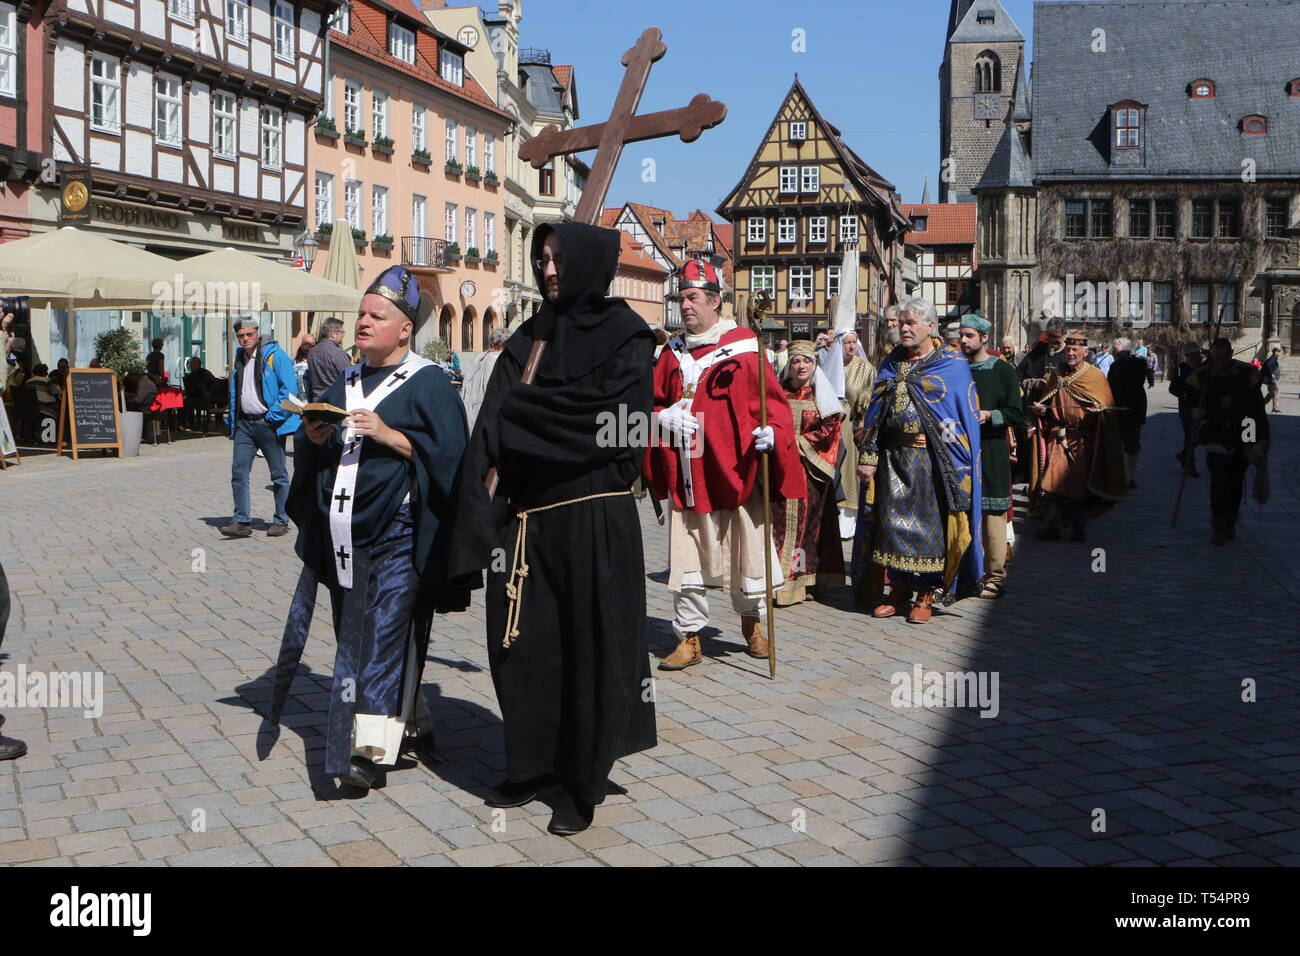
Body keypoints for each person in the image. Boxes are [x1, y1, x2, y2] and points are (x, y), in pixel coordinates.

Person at [450, 222, 657, 836]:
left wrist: (527, 418)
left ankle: (582, 781)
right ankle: (532, 761)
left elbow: (620, 430)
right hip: (527, 524)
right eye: (541, 260)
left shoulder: (628, 336)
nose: (548, 271)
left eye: (558, 259)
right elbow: (491, 433)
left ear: (589, 263)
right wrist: (469, 536)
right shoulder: (527, 340)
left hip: (596, 518)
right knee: (524, 649)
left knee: (589, 651)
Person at [275, 265, 469, 792]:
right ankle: (414, 716)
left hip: (401, 530)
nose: (362, 322)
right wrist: (314, 440)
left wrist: (390, 434)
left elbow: (451, 457)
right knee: (354, 635)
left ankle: (367, 753)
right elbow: (328, 451)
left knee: (382, 634)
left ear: (404, 328)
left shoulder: (428, 382)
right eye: (361, 313)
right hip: (344, 532)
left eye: (375, 316)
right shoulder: (345, 379)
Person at [644, 256, 803, 669]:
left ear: (715, 301)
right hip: (688, 473)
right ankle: (690, 636)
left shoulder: (747, 348)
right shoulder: (671, 353)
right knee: (686, 560)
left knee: (747, 553)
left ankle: (753, 624)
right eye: (681, 298)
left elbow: (776, 409)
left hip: (737, 472)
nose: (685, 306)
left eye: (693, 297)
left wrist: (774, 435)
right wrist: (661, 419)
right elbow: (650, 404)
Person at [853, 298, 983, 624]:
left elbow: (960, 417)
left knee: (931, 531)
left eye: (911, 323)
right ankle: (898, 590)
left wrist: (957, 466)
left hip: (934, 462)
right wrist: (868, 456)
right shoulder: (890, 363)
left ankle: (926, 593)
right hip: (893, 460)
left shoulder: (951, 364)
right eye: (901, 322)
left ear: (930, 326)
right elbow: (875, 415)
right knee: (892, 527)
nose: (904, 328)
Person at [1028, 331, 1127, 541]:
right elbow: (1049, 403)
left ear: (1084, 352)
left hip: (1082, 439)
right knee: (1052, 483)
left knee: (1078, 485)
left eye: (1075, 350)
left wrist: (1099, 411)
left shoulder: (1094, 376)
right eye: (1068, 349)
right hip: (1058, 436)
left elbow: (1107, 407)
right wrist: (1042, 410)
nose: (1070, 353)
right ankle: (1053, 524)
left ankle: (1079, 526)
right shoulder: (1057, 373)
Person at [772, 340, 845, 605]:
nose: (801, 366)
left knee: (806, 526)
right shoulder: (779, 392)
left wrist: (796, 444)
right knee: (778, 525)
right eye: (795, 361)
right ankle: (778, 579)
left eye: (806, 361)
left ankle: (801, 580)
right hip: (779, 467)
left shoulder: (820, 394)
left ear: (814, 365)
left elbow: (830, 429)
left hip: (808, 470)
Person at [960, 314, 1025, 599]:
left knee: (992, 515)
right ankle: (963, 573)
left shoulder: (1003, 370)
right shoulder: (955, 368)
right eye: (961, 335)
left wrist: (990, 415)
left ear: (984, 338)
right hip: (960, 451)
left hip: (992, 449)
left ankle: (995, 576)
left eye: (969, 335)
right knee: (961, 513)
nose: (963, 340)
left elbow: (1016, 412)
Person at [1181, 338, 1270, 544]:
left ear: (1231, 353)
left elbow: (1258, 410)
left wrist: (1263, 440)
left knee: (1235, 481)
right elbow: (1185, 396)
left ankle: (1231, 520)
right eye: (1216, 357)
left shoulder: (1246, 373)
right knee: (1219, 480)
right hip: (1216, 431)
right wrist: (1193, 409)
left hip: (1245, 431)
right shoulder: (1204, 375)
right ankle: (1218, 523)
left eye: (1223, 357)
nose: (1219, 362)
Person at [222, 316, 300, 538]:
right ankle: (242, 520)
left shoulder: (275, 356)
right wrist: (233, 419)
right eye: (241, 335)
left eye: (249, 334)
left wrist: (272, 418)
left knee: (278, 475)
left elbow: (289, 392)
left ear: (257, 333)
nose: (245, 339)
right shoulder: (240, 358)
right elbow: (238, 391)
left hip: (269, 423)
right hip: (245, 424)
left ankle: (281, 519)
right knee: (238, 472)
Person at [836, 328, 876, 540]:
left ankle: (849, 518)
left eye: (854, 342)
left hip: (853, 424)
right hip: (833, 423)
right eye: (846, 343)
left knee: (850, 468)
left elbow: (870, 396)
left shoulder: (865, 368)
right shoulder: (832, 367)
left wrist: (861, 416)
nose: (851, 346)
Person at [1107, 337, 1154, 489]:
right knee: (1123, 443)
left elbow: (1137, 374)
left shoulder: (1131, 363)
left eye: (1115, 349)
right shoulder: (1121, 364)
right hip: (1123, 408)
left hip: (1131, 408)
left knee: (1129, 443)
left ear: (1122, 349)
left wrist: (1124, 356)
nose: (1113, 352)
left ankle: (1127, 477)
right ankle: (1122, 475)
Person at [460, 326, 508, 430]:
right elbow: (492, 389)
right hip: (488, 413)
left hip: (475, 409)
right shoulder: (496, 360)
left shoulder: (481, 357)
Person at [1169, 344, 1206, 477]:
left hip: (1202, 406)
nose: (1199, 355)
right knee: (1190, 436)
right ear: (1189, 356)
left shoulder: (1202, 367)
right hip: (1187, 407)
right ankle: (1189, 466)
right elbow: (1173, 388)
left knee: (1200, 435)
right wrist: (1183, 394)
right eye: (1196, 353)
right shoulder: (1181, 369)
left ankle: (1184, 454)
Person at [307, 317, 351, 402]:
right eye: (342, 332)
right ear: (333, 333)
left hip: (317, 401)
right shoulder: (337, 352)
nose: (343, 335)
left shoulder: (312, 352)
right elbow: (349, 377)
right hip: (335, 401)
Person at [1261, 346, 1282, 413]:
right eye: (1279, 352)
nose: (1280, 353)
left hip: (1271, 379)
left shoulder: (1273, 358)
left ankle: (1261, 404)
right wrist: (1271, 374)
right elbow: (1268, 366)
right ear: (1276, 352)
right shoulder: (1273, 359)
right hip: (1273, 379)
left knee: (1271, 394)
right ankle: (1276, 408)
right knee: (1276, 393)